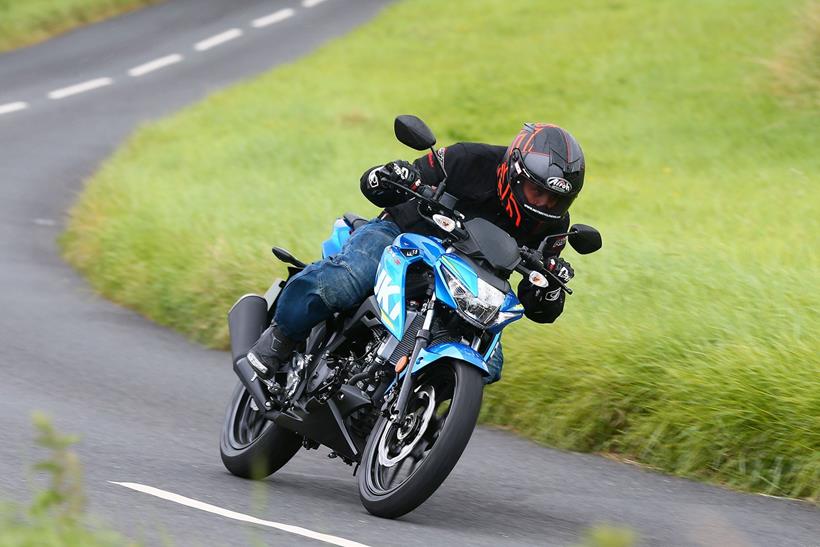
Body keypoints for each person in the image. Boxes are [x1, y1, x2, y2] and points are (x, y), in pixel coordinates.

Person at [245, 122, 584, 385]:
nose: (544, 204)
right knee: (348, 280)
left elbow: (539, 306)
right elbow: (389, 180)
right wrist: (394, 175)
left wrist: (551, 287)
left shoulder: (555, 225)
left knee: (489, 363)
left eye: (555, 200)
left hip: (468, 283)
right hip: (403, 236)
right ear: (515, 172)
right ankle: (280, 338)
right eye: (537, 191)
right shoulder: (468, 160)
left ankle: (419, 413)